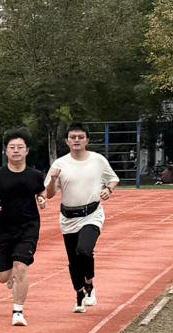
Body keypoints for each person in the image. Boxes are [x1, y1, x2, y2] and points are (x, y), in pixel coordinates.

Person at [46, 124, 119, 314]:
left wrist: (108, 189)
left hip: (92, 214)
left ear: (87, 140)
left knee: (84, 250)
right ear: (67, 141)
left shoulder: (98, 160)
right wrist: (53, 180)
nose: (76, 140)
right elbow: (49, 194)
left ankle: (89, 284)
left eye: (80, 137)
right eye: (73, 137)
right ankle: (79, 294)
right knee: (73, 260)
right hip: (68, 218)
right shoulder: (60, 164)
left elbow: (113, 179)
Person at [0, 130, 47, 326]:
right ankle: (11, 277)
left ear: (27, 151)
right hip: (2, 229)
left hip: (28, 227)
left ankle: (18, 311)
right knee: (3, 277)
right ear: (6, 151)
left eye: (20, 147)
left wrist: (42, 199)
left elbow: (41, 191)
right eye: (12, 147)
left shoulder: (35, 175)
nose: (16, 150)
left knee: (21, 267)